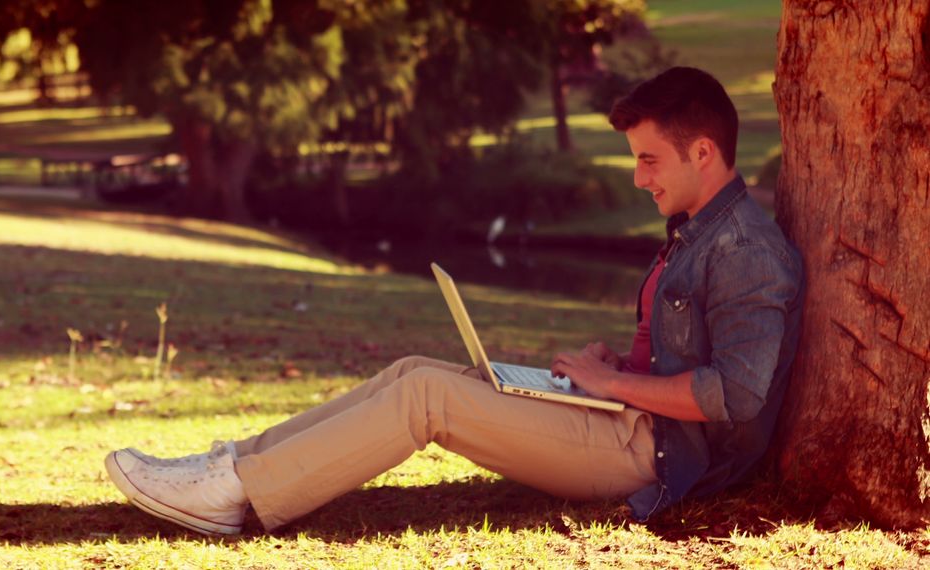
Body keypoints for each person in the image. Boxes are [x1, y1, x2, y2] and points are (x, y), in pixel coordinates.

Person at [103, 66, 805, 536]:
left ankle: (240, 498)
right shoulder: (698, 233)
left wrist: (614, 383)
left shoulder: (744, 249)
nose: (636, 178)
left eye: (649, 159)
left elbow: (736, 396)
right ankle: (232, 463)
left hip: (655, 459)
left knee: (428, 401)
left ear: (704, 153)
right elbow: (688, 357)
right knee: (416, 369)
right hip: (629, 422)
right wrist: (608, 369)